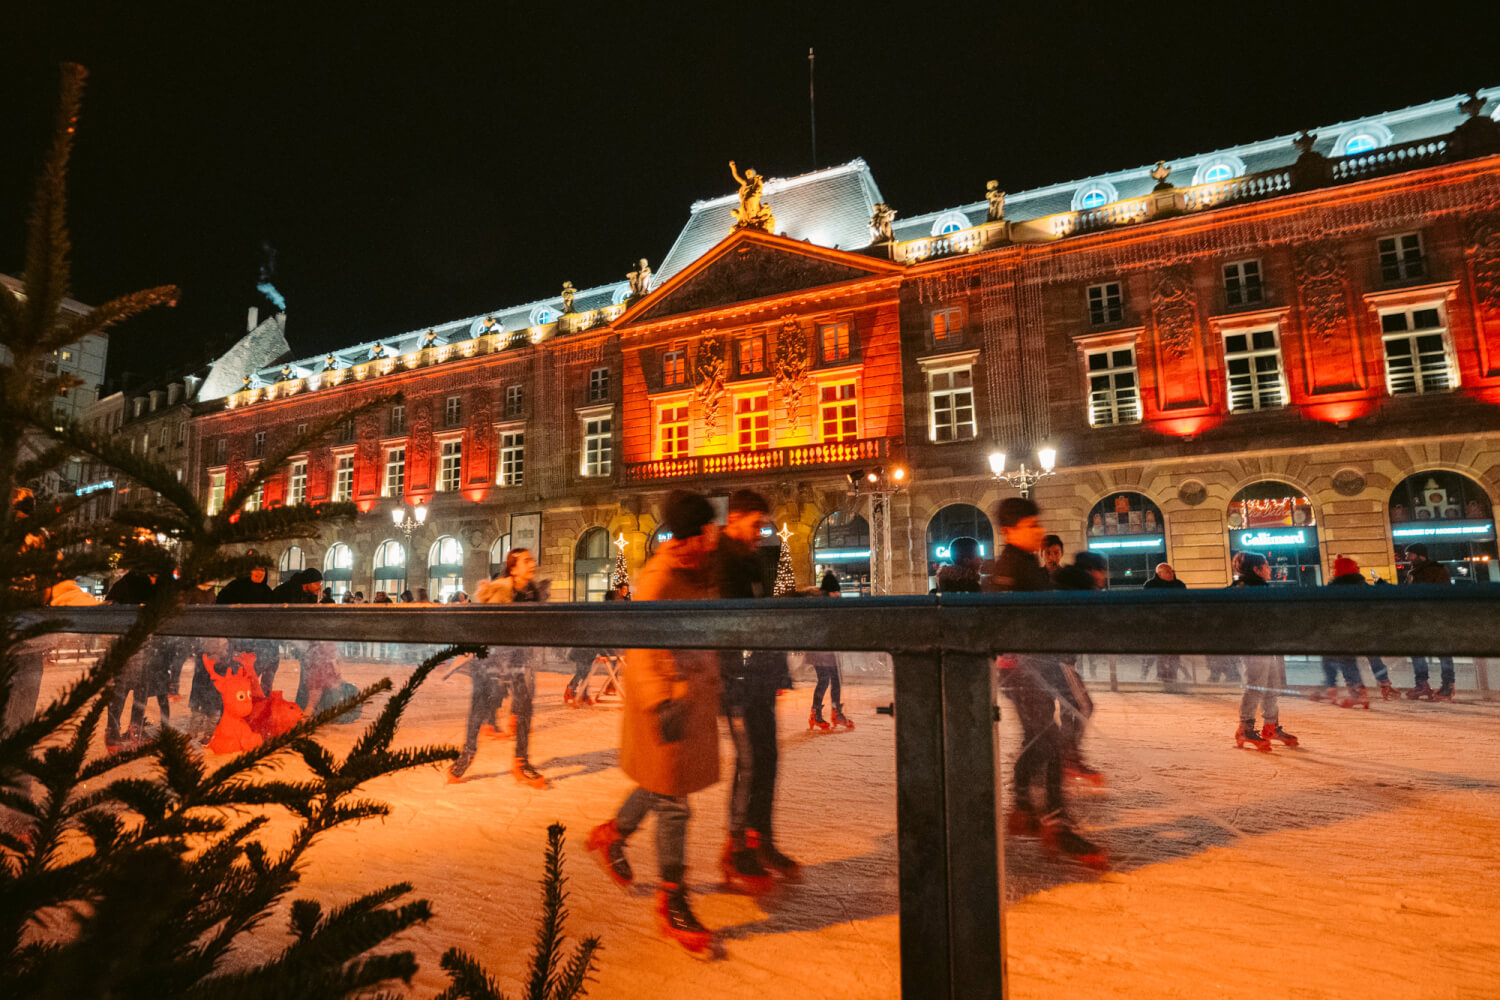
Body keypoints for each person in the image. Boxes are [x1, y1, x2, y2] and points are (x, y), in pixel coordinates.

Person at [587, 490, 723, 955]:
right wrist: (665, 701)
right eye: (708, 528)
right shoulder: (660, 575)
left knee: (662, 786)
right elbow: (643, 645)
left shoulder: (700, 569)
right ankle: (672, 898)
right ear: (692, 533)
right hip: (666, 703)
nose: (715, 534)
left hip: (692, 697)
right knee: (674, 802)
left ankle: (613, 835)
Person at [988, 497, 1105, 869]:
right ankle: (1056, 823)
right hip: (1023, 671)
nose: (1039, 531)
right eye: (1031, 526)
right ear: (1009, 531)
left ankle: (1023, 806)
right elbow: (1000, 619)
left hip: (1036, 667)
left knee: (1038, 737)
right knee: (1050, 741)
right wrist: (1014, 656)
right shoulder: (1009, 569)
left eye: (1038, 524)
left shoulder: (1026, 564)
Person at [713, 489, 798, 891]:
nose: (760, 532)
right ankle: (737, 848)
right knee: (749, 760)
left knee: (768, 758)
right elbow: (729, 623)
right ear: (735, 519)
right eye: (755, 524)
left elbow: (762, 614)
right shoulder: (722, 560)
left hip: (759, 675)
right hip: (735, 679)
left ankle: (762, 840)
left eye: (764, 526)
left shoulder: (751, 558)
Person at [459, 548, 547, 788]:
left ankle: (521, 762)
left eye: (532, 560)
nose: (532, 564)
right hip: (494, 658)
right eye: (526, 561)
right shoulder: (500, 591)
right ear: (513, 567)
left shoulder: (533, 592)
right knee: (481, 705)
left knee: (525, 706)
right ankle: (466, 754)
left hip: (521, 657)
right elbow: (484, 627)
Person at [1233, 552, 1298, 751]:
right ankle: (1245, 728)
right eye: (1266, 565)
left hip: (1266, 645)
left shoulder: (1255, 588)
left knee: (1271, 686)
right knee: (1256, 687)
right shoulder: (1249, 589)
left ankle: (1270, 727)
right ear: (1257, 569)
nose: (1270, 569)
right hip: (1254, 646)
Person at [1051, 552, 1106, 786]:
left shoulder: (1072, 587)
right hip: (1059, 659)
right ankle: (1068, 758)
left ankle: (1067, 757)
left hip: (1060, 658)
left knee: (1071, 707)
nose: (1104, 576)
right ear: (1091, 571)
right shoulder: (1078, 590)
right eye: (1101, 570)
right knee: (1083, 704)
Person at [1318, 555, 1394, 706]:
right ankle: (1384, 682)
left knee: (1347, 660)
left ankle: (1357, 692)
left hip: (1345, 633)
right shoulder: (1363, 586)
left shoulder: (1333, 589)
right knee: (1373, 656)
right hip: (1367, 630)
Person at [1403, 544, 1455, 700]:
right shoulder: (1413, 572)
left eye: (1409, 554)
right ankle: (1422, 685)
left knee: (1443, 652)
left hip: (1436, 618)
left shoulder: (1436, 570)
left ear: (1420, 555)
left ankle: (1447, 688)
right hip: (1419, 619)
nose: (1406, 558)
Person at [216, 566, 280, 694]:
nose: (259, 573)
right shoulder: (235, 587)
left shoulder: (267, 591)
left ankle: (256, 701)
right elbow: (221, 606)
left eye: (262, 570)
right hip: (239, 640)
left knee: (256, 673)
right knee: (238, 674)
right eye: (255, 569)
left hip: (260, 641)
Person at [807, 571, 851, 731]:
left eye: (838, 591)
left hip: (827, 649)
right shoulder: (821, 604)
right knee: (825, 679)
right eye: (835, 591)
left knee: (835, 679)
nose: (837, 594)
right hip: (818, 649)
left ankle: (835, 711)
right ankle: (817, 713)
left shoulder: (831, 604)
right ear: (828, 591)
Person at [1141, 562, 1186, 684]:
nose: (1171, 573)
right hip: (1158, 625)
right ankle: (1162, 675)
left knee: (1175, 652)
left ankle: (1172, 675)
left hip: (1175, 624)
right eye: (1168, 571)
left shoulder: (1179, 584)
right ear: (1159, 573)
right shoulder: (1150, 585)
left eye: (1172, 571)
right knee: (1161, 651)